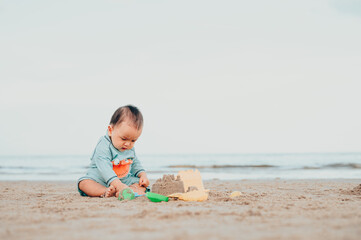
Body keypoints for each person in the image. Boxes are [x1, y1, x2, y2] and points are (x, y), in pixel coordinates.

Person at [77, 105, 149, 198]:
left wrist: (143, 175)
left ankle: (128, 190)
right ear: (111, 130)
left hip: (123, 181)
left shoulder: (129, 148)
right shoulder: (104, 145)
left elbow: (135, 164)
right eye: (124, 138)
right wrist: (117, 185)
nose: (128, 144)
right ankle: (105, 191)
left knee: (142, 185)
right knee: (84, 183)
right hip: (100, 180)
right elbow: (104, 167)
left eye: (133, 141)